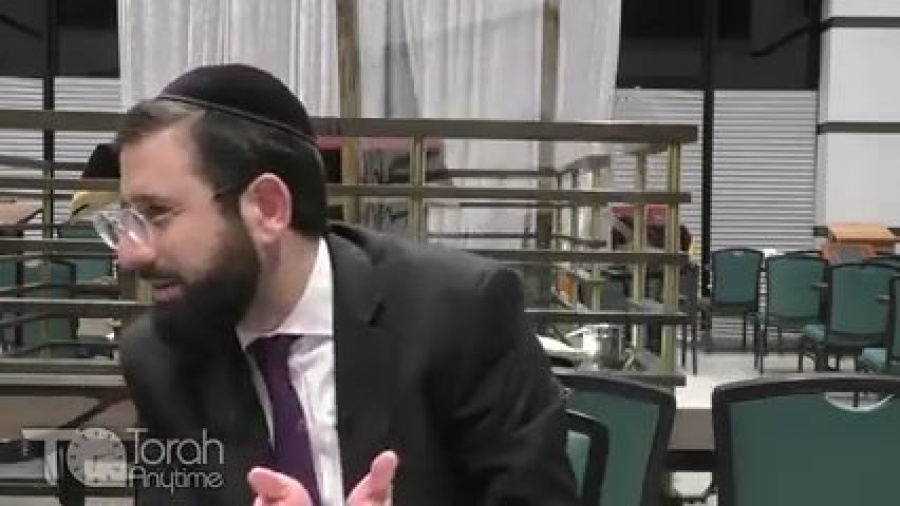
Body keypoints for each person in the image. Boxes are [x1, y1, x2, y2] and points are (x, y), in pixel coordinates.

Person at [100, 63, 579, 506]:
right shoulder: (160, 358)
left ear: (267, 208)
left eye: (156, 214)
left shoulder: (458, 313)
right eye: (126, 219)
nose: (129, 253)